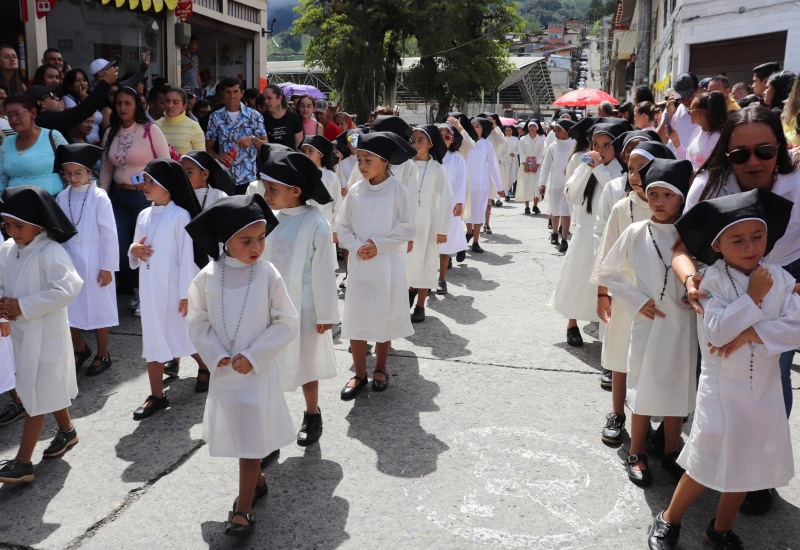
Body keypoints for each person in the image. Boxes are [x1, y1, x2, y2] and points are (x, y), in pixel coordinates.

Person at [648, 189, 798, 550]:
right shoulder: (709, 281)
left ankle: (721, 527)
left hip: (762, 390)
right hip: (720, 388)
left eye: (757, 237)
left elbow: (796, 326)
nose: (750, 247)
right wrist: (753, 299)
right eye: (737, 239)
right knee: (705, 451)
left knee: (749, 459)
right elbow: (716, 331)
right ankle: (669, 518)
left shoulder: (779, 277)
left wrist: (748, 329)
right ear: (717, 245)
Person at [674, 106, 800, 515]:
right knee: (715, 375)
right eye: (739, 154)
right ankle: (706, 459)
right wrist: (692, 280)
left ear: (780, 147)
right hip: (718, 285)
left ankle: (755, 469)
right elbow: (680, 245)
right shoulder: (710, 185)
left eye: (764, 151)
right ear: (724, 153)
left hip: (785, 282)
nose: (753, 162)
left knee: (771, 375)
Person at [186, 194, 297, 537]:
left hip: (256, 372)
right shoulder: (208, 276)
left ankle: (243, 509)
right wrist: (214, 352)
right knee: (240, 433)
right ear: (225, 241)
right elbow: (197, 321)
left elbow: (287, 321)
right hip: (224, 372)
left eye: (262, 238)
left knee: (249, 440)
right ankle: (257, 483)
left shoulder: (268, 274)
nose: (257, 247)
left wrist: (254, 355)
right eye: (246, 241)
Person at [599, 158, 697, 488]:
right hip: (647, 323)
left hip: (682, 326)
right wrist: (636, 301)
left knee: (676, 389)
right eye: (653, 193)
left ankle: (671, 450)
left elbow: (707, 272)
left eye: (667, 195)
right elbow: (608, 271)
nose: (657, 201)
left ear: (682, 197)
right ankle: (637, 451)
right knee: (642, 390)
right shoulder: (636, 231)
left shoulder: (692, 234)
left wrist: (696, 291)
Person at [590, 141, 673, 444]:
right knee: (619, 355)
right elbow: (605, 253)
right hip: (625, 292)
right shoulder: (622, 206)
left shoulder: (672, 206)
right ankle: (617, 412)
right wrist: (602, 294)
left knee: (655, 357)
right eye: (631, 167)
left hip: (661, 297)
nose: (635, 174)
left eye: (642, 168)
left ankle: (656, 415)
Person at [0, 186, 82, 484]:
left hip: (47, 334)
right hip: (20, 335)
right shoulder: (7, 250)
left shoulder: (51, 252)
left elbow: (68, 289)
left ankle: (23, 462)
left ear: (39, 223)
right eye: (7, 224)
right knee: (42, 385)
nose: (11, 230)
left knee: (34, 391)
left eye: (18, 225)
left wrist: (24, 306)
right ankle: (68, 431)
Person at [258, 147, 338, 447]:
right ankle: (271, 427)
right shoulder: (268, 218)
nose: (266, 194)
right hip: (271, 307)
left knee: (306, 364)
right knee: (270, 366)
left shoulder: (316, 222)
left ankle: (312, 412)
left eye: (272, 189)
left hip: (304, 308)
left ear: (295, 191)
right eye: (266, 188)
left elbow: (324, 272)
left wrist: (326, 314)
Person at [335, 132, 416, 400]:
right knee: (356, 318)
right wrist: (358, 246)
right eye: (359, 159)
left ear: (384, 161)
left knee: (384, 317)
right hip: (360, 265)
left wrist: (378, 245)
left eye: (368, 159)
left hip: (386, 265)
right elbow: (342, 225)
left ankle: (381, 368)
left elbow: (408, 227)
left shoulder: (398, 191)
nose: (362, 165)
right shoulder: (357, 190)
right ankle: (359, 373)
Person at [128, 160, 211, 420]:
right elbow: (136, 247)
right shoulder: (144, 215)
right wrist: (133, 251)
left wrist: (186, 294)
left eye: (151, 181)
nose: (145, 186)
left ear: (168, 186)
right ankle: (157, 395)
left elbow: (187, 257)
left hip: (175, 289)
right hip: (150, 289)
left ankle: (205, 366)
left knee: (183, 333)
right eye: (144, 180)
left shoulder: (179, 216)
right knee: (153, 338)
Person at [549, 121, 626, 347]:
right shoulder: (586, 164)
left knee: (604, 287)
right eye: (596, 144)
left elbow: (616, 196)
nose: (600, 150)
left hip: (607, 235)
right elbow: (571, 195)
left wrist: (598, 169)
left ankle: (605, 330)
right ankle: (571, 324)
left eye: (607, 145)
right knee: (577, 280)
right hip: (584, 231)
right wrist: (586, 169)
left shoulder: (620, 171)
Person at [99, 86, 170, 308]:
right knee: (120, 247)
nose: (122, 108)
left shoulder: (150, 130)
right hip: (117, 197)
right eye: (119, 103)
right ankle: (136, 289)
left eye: (127, 103)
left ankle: (146, 293)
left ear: (137, 105)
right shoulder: (111, 132)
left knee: (145, 245)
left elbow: (166, 164)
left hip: (144, 197)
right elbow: (107, 168)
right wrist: (101, 194)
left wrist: (163, 197)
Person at [53, 144, 118, 376]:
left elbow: (109, 233)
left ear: (89, 172)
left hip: (96, 263)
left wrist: (107, 266)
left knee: (99, 308)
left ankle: (103, 353)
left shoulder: (99, 197)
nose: (73, 178)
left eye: (78, 173)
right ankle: (80, 348)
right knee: (70, 307)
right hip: (70, 262)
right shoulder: (62, 197)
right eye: (68, 173)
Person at [406, 124, 452, 323]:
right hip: (407, 223)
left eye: (420, 140)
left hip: (429, 224)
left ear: (431, 144)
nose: (415, 144)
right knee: (406, 264)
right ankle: (407, 293)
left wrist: (443, 229)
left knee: (426, 263)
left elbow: (447, 198)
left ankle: (420, 305)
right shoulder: (405, 166)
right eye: (413, 140)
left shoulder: (437, 168)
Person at [205, 78, 267, 193]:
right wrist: (218, 156)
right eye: (228, 92)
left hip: (248, 177)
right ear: (223, 93)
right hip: (225, 175)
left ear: (242, 93)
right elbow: (208, 147)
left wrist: (252, 139)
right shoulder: (215, 117)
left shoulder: (254, 116)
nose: (232, 96)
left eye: (235, 91)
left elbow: (265, 144)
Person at [0, 95, 68, 196]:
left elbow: (72, 167)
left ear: (33, 112)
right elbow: (2, 177)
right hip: (15, 206)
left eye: (18, 114)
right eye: (9, 115)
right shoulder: (7, 143)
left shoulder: (53, 136)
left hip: (52, 203)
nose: (13, 119)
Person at [464, 117, 503, 253]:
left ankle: (475, 241)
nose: (474, 128)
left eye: (477, 126)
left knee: (479, 212)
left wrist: (499, 186)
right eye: (472, 125)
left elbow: (493, 166)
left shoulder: (487, 145)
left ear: (483, 130)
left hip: (481, 183)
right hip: (466, 183)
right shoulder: (464, 143)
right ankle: (469, 232)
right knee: (467, 211)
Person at [436, 123, 467, 287]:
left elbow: (462, 182)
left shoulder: (457, 158)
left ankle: (442, 279)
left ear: (452, 139)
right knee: (430, 243)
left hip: (450, 205)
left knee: (445, 243)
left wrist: (460, 202)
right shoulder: (430, 157)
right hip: (431, 205)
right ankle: (426, 280)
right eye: (440, 136)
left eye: (447, 136)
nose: (444, 139)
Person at [539, 119, 577, 249]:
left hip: (569, 184)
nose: (556, 132)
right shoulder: (553, 146)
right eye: (555, 130)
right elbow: (546, 165)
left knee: (566, 211)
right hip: (555, 182)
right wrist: (542, 183)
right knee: (555, 211)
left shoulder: (575, 144)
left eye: (559, 130)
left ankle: (565, 239)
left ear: (567, 131)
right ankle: (554, 233)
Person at [674, 91, 728, 171]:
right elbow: (689, 161)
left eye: (690, 110)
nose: (689, 112)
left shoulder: (720, 139)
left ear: (699, 113)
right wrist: (676, 141)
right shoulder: (697, 131)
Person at [300, 135, 342, 232]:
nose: (306, 154)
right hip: (304, 227)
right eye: (304, 151)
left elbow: (338, 204)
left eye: (310, 151)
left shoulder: (331, 176)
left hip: (326, 226)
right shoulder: (299, 174)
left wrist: (336, 230)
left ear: (321, 154)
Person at [156, 87, 206, 155]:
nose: (170, 106)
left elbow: (201, 158)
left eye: (175, 102)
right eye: (167, 101)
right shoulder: (155, 126)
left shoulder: (193, 127)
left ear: (184, 106)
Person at [60, 69, 102, 144]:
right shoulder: (67, 98)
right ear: (70, 85)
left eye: (84, 80)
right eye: (78, 80)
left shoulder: (89, 96)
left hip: (96, 143)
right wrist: (85, 102)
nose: (82, 83)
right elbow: (76, 119)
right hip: (81, 143)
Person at [515, 119, 545, 215]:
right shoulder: (523, 139)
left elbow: (541, 152)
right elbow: (522, 152)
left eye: (534, 126)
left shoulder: (541, 139)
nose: (532, 128)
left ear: (537, 128)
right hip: (525, 165)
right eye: (530, 126)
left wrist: (537, 164)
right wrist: (524, 164)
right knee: (526, 184)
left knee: (537, 185)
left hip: (537, 166)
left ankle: (535, 205)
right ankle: (527, 206)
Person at [262, 84, 303, 150]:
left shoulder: (293, 118)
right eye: (264, 98)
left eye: (269, 98)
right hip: (271, 159)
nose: (266, 101)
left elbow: (298, 146)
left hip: (290, 158)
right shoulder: (261, 119)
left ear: (279, 98)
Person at [502, 125, 519, 200]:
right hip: (504, 160)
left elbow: (519, 149)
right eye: (507, 130)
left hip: (513, 159)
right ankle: (506, 194)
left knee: (512, 177)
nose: (508, 132)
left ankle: (507, 192)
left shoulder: (516, 139)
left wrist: (515, 153)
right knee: (505, 177)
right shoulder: (502, 139)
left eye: (509, 130)